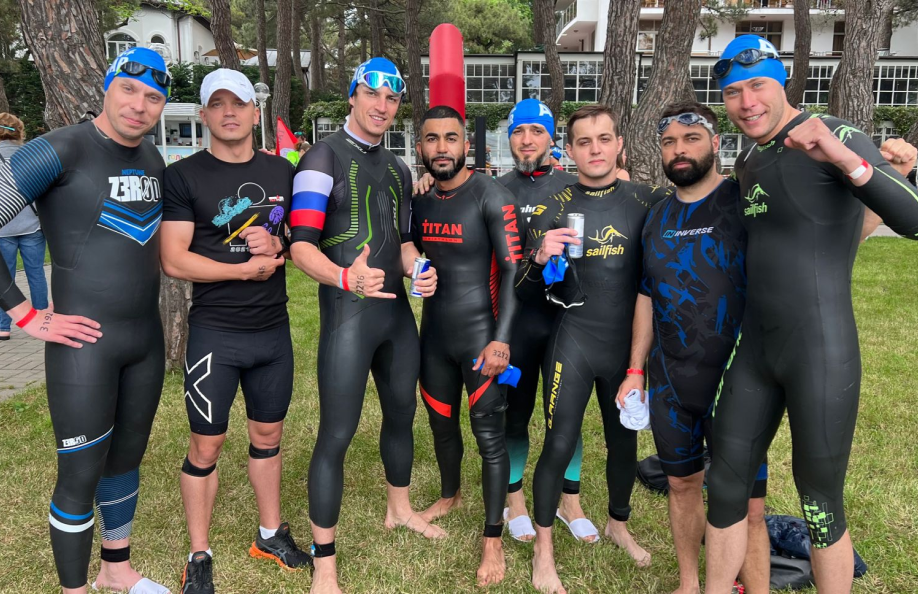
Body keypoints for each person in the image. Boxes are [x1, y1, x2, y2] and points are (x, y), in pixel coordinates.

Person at [704, 35, 918, 593]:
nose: (747, 102)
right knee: (724, 485)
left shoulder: (837, 134)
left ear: (783, 83)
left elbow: (913, 218)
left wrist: (843, 157)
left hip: (819, 348)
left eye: (758, 86)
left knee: (819, 500)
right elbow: (811, 232)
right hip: (756, 349)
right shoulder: (748, 158)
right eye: (733, 92)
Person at [0, 47, 171, 594]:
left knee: (126, 460)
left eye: (153, 97)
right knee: (80, 473)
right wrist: (25, 313)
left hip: (144, 342)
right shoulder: (60, 149)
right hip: (84, 348)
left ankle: (116, 569)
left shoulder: (153, 159)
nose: (139, 105)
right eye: (129, 89)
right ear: (107, 86)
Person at [288, 57, 442, 594]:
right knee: (336, 433)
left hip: (396, 317)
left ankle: (399, 508)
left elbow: (403, 244)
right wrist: (343, 277)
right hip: (348, 316)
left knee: (402, 414)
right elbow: (300, 246)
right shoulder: (321, 156)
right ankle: (324, 563)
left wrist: (419, 270)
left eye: (392, 98)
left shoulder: (399, 169)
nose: (382, 106)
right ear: (352, 95)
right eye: (372, 94)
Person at [160, 68, 312, 594]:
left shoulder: (282, 171)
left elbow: (300, 237)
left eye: (239, 102)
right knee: (207, 444)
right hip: (216, 334)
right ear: (204, 113)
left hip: (272, 331)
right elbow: (174, 259)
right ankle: (198, 553)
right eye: (218, 103)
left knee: (268, 436)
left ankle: (270, 534)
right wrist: (242, 271)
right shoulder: (184, 176)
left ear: (255, 111)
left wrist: (280, 246)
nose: (229, 112)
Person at [515, 104, 669, 594]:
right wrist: (539, 257)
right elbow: (522, 289)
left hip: (628, 348)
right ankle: (543, 550)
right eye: (584, 141)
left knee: (624, 440)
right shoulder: (551, 207)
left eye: (604, 139)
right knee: (560, 441)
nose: (595, 149)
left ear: (620, 145)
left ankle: (618, 525)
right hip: (574, 341)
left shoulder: (648, 201)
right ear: (570, 150)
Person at [638, 101, 769, 594]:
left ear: (715, 143)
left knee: (749, 505)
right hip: (670, 378)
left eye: (691, 139)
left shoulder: (744, 201)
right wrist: (634, 368)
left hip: (738, 378)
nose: (679, 150)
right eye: (669, 141)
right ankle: (689, 584)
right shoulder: (657, 215)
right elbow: (646, 295)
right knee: (681, 484)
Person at [412, 105, 522, 586]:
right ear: (421, 146)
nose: (442, 148)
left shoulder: (491, 196)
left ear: (466, 144)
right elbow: (409, 252)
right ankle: (450, 493)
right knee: (441, 424)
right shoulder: (420, 200)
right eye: (432, 139)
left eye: (450, 138)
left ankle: (492, 540)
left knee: (489, 438)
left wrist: (501, 341)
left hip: (481, 337)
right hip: (434, 335)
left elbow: (514, 271)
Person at [497, 99, 597, 544]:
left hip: (565, 322)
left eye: (536, 131)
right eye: (518, 131)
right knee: (515, 415)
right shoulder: (495, 188)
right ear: (509, 138)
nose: (527, 140)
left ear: (551, 138)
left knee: (567, 417)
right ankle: (514, 499)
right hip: (517, 322)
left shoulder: (575, 187)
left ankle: (569, 500)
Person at [0, 113, 48, 341]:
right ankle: (43, 319)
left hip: (3, 228)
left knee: (5, 279)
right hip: (32, 224)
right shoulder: (32, 155)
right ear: (19, 131)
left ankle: (3, 327)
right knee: (36, 275)